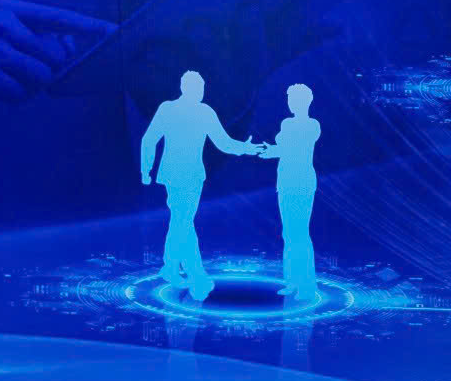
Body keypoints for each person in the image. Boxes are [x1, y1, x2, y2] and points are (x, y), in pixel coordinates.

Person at [137, 70, 266, 301]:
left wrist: (245, 148)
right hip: (176, 175)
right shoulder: (169, 109)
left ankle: (170, 267)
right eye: (197, 88)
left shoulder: (204, 111)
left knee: (180, 220)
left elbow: (223, 143)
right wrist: (145, 170)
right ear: (185, 88)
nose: (201, 92)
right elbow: (149, 139)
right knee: (183, 221)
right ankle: (197, 276)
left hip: (192, 176)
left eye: (202, 88)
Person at [270, 84, 323, 302]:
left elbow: (294, 148)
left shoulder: (312, 125)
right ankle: (292, 281)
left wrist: (274, 151)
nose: (290, 104)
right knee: (289, 233)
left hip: (302, 182)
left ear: (306, 101)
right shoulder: (287, 123)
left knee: (299, 233)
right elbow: (284, 150)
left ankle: (307, 286)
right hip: (285, 182)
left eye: (294, 99)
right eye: (289, 99)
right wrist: (269, 151)